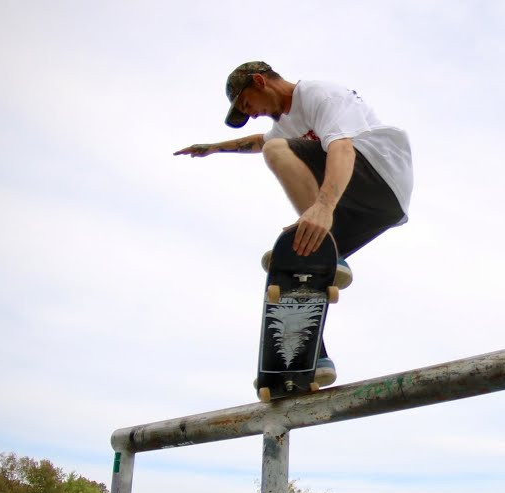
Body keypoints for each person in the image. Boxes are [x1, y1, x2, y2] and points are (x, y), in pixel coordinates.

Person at [175, 61, 413, 387]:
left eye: (248, 104)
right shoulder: (286, 123)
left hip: (379, 173)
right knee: (294, 263)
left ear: (260, 82)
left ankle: (325, 240)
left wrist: (322, 208)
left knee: (280, 154)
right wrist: (215, 148)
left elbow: (342, 149)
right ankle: (309, 360)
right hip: (374, 209)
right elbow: (260, 141)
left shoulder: (318, 95)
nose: (252, 114)